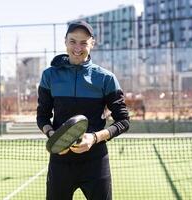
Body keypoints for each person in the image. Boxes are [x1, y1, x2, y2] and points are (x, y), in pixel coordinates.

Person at [36, 20, 130, 200]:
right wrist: (54, 138)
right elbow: (42, 117)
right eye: (73, 41)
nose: (77, 47)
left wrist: (94, 138)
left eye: (83, 42)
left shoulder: (106, 78)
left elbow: (123, 121)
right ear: (65, 41)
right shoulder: (49, 75)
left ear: (92, 43)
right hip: (60, 163)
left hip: (95, 163)